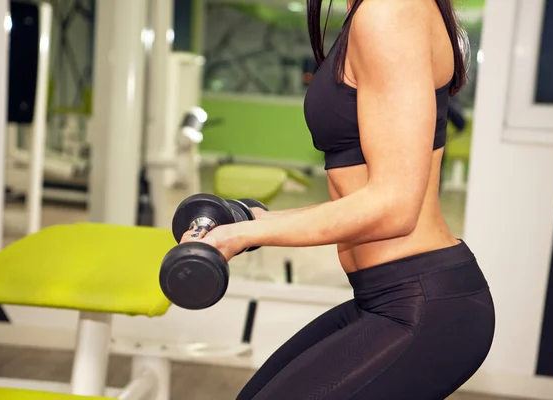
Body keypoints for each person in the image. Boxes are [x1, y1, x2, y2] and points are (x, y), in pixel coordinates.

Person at [182, 0, 495, 398]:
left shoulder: (390, 9)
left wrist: (237, 237)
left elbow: (394, 207)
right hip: (382, 297)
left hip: (421, 305)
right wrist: (255, 221)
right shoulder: (369, 11)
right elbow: (364, 194)